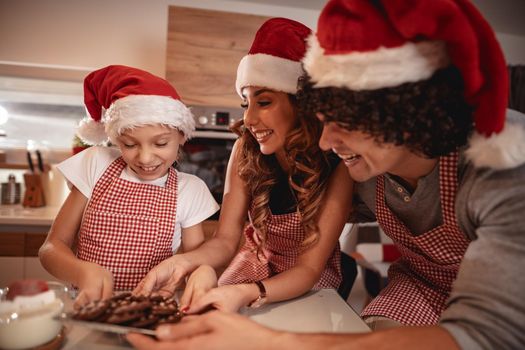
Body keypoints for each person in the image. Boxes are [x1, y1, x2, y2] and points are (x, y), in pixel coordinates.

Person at [127, 0, 525, 349]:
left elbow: (485, 336)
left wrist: (271, 343)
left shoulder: (503, 168)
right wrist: (192, 265)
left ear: (403, 113)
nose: (325, 142)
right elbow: (230, 238)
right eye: (324, 121)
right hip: (418, 286)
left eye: (343, 122)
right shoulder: (367, 172)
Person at [133, 18, 354, 313]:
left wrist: (251, 292)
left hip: (306, 279)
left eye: (263, 102)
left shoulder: (337, 161)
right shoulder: (244, 150)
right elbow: (225, 240)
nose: (248, 120)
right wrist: (182, 262)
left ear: (301, 105)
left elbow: (308, 270)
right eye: (245, 104)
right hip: (254, 264)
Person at [39, 65, 219, 305]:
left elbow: (194, 261)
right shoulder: (96, 163)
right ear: (116, 140)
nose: (145, 158)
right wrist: (82, 272)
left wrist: (204, 272)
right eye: (130, 145)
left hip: (148, 312)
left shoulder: (190, 190)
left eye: (161, 143)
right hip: (88, 307)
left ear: (181, 137)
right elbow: (52, 248)